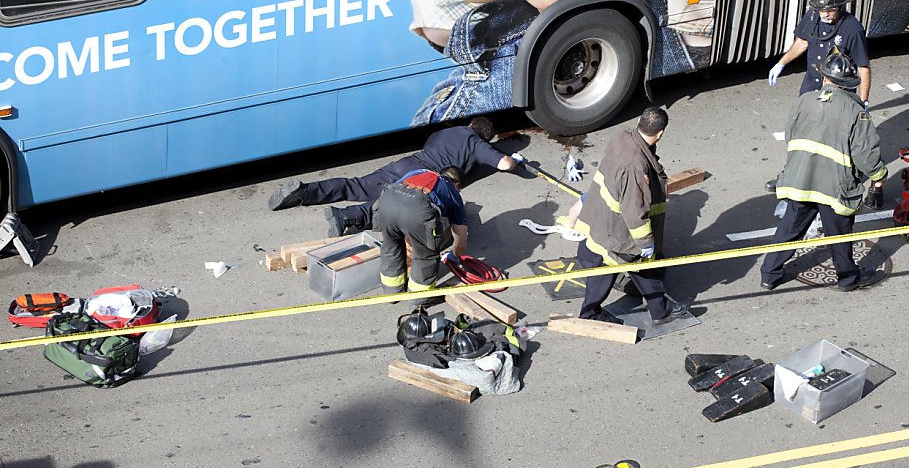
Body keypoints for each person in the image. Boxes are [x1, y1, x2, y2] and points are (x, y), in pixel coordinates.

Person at [760, 49, 888, 293]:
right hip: (834, 188)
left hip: (800, 179)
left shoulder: (805, 100)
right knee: (839, 235)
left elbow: (790, 136)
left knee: (789, 229)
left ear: (825, 78)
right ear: (848, 84)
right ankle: (848, 279)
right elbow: (866, 154)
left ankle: (770, 274)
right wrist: (880, 176)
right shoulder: (855, 112)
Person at [267, 116, 521, 235]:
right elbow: (504, 164)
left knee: (356, 185)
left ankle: (306, 191)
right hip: (423, 177)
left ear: (470, 125)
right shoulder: (477, 144)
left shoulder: (447, 133)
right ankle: (346, 216)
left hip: (407, 163)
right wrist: (505, 155)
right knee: (391, 205)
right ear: (481, 135)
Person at [573, 107, 689, 326]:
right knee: (640, 265)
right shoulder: (635, 167)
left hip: (603, 219)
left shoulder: (622, 137)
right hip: (621, 231)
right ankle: (660, 311)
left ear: (639, 121)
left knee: (606, 265)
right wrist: (645, 243)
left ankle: (591, 312)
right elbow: (635, 211)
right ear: (660, 133)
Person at [374, 166, 468, 304]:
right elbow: (461, 237)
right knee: (426, 256)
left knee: (391, 247)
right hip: (418, 210)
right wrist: (454, 256)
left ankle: (392, 293)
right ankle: (418, 298)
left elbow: (400, 193)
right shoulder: (452, 192)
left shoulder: (417, 171)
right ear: (457, 184)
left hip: (387, 203)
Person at [767, 0, 871, 102]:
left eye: (830, 10)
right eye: (822, 10)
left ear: (840, 7)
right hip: (811, 86)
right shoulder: (812, 16)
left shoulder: (852, 29)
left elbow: (863, 68)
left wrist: (863, 102)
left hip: (838, 92)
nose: (825, 14)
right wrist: (781, 64)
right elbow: (802, 42)